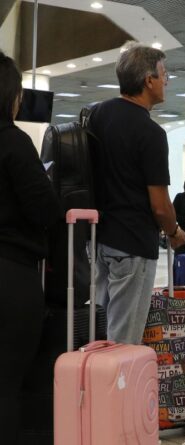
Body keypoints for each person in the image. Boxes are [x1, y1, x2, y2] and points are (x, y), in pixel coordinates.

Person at [89, 42, 185, 344]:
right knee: (124, 341)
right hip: (132, 243)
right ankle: (114, 392)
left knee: (101, 333)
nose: (166, 81)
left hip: (98, 239)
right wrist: (174, 232)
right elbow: (160, 205)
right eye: (164, 74)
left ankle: (93, 389)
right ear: (148, 80)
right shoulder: (151, 134)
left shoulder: (97, 115)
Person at [0, 50, 61, 445]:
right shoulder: (14, 143)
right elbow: (45, 209)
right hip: (10, 275)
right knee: (6, 384)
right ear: (12, 97)